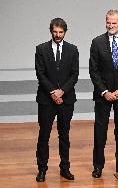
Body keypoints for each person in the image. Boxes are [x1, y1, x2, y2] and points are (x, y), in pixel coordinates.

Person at [89, 9, 118, 178]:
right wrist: (104, 91)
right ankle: (98, 166)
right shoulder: (97, 42)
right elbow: (93, 71)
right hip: (103, 96)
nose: (110, 25)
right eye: (108, 22)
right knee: (100, 132)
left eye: (114, 23)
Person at [35, 18, 79, 182]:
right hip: (46, 100)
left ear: (65, 32)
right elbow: (40, 74)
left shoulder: (73, 50)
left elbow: (74, 74)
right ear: (51, 31)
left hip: (66, 100)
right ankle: (42, 169)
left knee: (64, 135)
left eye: (61, 32)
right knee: (44, 135)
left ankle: (65, 168)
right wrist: (53, 92)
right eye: (55, 32)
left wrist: (62, 92)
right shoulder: (41, 49)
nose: (58, 35)